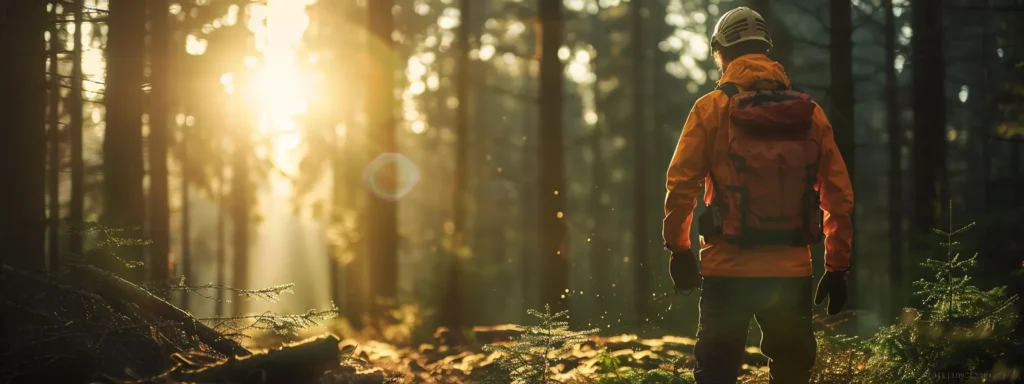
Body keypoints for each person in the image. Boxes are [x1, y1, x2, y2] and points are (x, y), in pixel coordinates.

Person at [661, 6, 855, 384]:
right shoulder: (810, 113)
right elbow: (838, 197)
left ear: (721, 52)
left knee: (716, 373)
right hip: (790, 270)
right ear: (766, 50)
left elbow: (681, 183)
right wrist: (838, 267)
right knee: (792, 371)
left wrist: (679, 249)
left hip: (726, 269)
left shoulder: (710, 109)